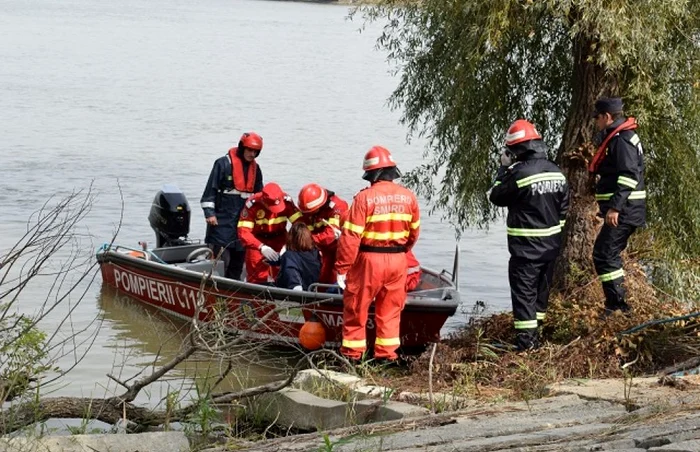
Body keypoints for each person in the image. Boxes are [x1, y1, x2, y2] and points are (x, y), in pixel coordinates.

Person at [335, 146, 420, 363]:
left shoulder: (364, 198)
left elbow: (350, 237)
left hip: (369, 260)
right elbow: (414, 233)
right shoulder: (408, 197)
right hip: (398, 259)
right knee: (390, 311)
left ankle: (353, 357)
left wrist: (343, 268)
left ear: (373, 174)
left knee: (356, 308)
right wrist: (400, 252)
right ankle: (386, 357)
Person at [489, 120, 569, 351]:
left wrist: (502, 169)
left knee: (524, 296)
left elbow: (496, 196)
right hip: (551, 248)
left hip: (526, 250)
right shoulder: (557, 172)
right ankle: (537, 337)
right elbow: (563, 210)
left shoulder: (519, 174)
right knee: (540, 296)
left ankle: (526, 346)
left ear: (519, 149)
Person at [589, 97, 646, 314]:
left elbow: (629, 176)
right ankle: (616, 305)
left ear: (607, 116)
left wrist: (615, 207)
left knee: (604, 254)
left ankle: (618, 307)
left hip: (624, 211)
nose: (596, 122)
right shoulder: (621, 136)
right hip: (626, 210)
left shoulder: (622, 139)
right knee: (607, 254)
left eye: (597, 117)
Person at [200, 132, 264, 280]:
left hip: (243, 222)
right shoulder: (222, 164)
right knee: (221, 261)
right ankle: (214, 291)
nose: (252, 154)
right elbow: (210, 191)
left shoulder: (256, 170)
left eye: (255, 151)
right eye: (249, 150)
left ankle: (232, 292)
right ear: (242, 148)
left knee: (238, 260)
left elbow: (260, 196)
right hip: (222, 221)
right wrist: (209, 213)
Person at [237, 182, 302, 285]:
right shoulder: (253, 205)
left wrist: (289, 244)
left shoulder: (287, 202)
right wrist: (261, 247)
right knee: (256, 276)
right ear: (264, 201)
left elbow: (299, 225)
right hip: (258, 240)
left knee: (282, 273)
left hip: (280, 239)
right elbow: (244, 232)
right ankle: (255, 298)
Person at [297, 183, 349, 285]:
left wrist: (307, 240)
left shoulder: (337, 207)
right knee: (320, 277)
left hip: (339, 249)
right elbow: (303, 226)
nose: (308, 214)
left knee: (335, 279)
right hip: (321, 248)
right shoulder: (307, 208)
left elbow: (330, 234)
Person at [276, 222, 322, 291]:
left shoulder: (289, 255)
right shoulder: (316, 254)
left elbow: (291, 270)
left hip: (293, 293)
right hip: (311, 291)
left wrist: (295, 285)